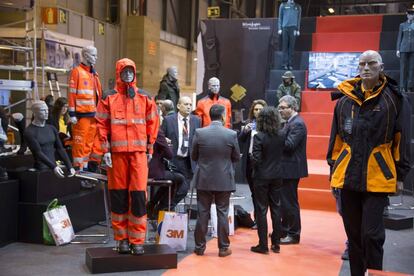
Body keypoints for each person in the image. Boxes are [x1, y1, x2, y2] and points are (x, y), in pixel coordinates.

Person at [327, 50, 411, 275]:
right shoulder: (344, 102)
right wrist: (333, 171)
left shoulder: (394, 99)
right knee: (353, 237)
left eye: (371, 63)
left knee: (372, 235)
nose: (366, 68)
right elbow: (336, 139)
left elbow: (401, 140)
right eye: (362, 64)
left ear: (381, 67)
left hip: (377, 176)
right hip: (347, 176)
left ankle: (374, 272)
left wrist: (400, 174)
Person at [96, 58, 159, 255]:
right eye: (125, 72)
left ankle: (137, 240)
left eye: (131, 71)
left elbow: (153, 124)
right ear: (118, 73)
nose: (129, 75)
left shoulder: (145, 97)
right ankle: (122, 239)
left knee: (139, 196)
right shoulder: (108, 97)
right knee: (119, 197)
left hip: (139, 156)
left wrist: (149, 149)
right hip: (116, 157)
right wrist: (105, 150)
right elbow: (101, 125)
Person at [192, 104, 240, 257]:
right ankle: (223, 248)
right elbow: (236, 157)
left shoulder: (199, 133)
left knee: (202, 213)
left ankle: (199, 247)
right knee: (222, 213)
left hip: (204, 179)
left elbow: (193, 156)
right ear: (224, 116)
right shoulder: (231, 134)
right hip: (224, 180)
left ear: (209, 115)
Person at [250, 107, 285, 254]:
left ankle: (263, 245)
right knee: (276, 208)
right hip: (277, 175)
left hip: (261, 177)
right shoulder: (281, 135)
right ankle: (276, 244)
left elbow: (256, 159)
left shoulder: (259, 136)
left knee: (261, 210)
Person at [278, 95, 308, 245]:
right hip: (286, 168)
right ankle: (284, 230)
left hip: (291, 169)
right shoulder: (290, 122)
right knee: (285, 202)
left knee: (289, 203)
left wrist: (275, 135)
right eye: (280, 107)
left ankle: (293, 234)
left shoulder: (297, 124)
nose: (280, 110)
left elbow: (289, 145)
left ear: (293, 108)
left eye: (283, 108)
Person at [161, 96, 201, 207]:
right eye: (186, 104)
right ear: (178, 106)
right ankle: (161, 208)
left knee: (184, 189)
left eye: (190, 105)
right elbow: (160, 137)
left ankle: (166, 207)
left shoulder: (196, 120)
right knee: (169, 187)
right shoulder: (169, 120)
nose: (188, 107)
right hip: (172, 160)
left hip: (188, 161)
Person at [69, 45, 102, 171]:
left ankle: (86, 168)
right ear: (86, 55)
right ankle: (78, 168)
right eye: (94, 55)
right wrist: (72, 114)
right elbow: (72, 93)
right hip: (81, 115)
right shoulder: (77, 72)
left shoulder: (94, 74)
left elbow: (98, 94)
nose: (96, 58)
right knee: (79, 143)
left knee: (89, 143)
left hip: (93, 114)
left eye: (96, 55)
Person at [24, 101, 75, 178]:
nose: (46, 112)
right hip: (41, 169)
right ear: (35, 112)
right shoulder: (29, 131)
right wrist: (54, 167)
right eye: (42, 110)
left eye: (47, 110)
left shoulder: (51, 128)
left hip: (54, 168)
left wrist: (69, 166)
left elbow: (60, 149)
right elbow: (38, 152)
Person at [238, 99, 267, 228]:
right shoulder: (249, 124)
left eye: (260, 109)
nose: (258, 112)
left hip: (263, 163)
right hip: (250, 162)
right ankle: (257, 220)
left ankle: (262, 221)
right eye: (256, 109)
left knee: (261, 194)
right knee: (254, 193)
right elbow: (240, 141)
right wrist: (244, 131)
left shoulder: (269, 125)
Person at [147, 128, 185, 217]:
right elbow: (169, 155)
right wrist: (167, 143)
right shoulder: (157, 132)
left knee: (171, 180)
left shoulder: (139, 129)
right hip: (153, 172)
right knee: (179, 178)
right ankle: (160, 207)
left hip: (140, 170)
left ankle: (152, 204)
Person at [278, 0, 301, 70]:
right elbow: (280, 17)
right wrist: (279, 28)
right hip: (285, 28)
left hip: (293, 28)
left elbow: (299, 19)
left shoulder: (298, 7)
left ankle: (290, 64)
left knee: (291, 47)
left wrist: (298, 29)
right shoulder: (283, 5)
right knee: (285, 47)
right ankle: (284, 64)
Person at [396, 8, 414, 92]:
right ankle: (402, 87)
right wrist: (398, 49)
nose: (411, 16)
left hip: (413, 49)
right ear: (407, 15)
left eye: (412, 14)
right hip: (403, 48)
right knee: (403, 68)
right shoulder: (402, 25)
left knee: (411, 68)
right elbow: (399, 37)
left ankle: (410, 87)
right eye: (410, 14)